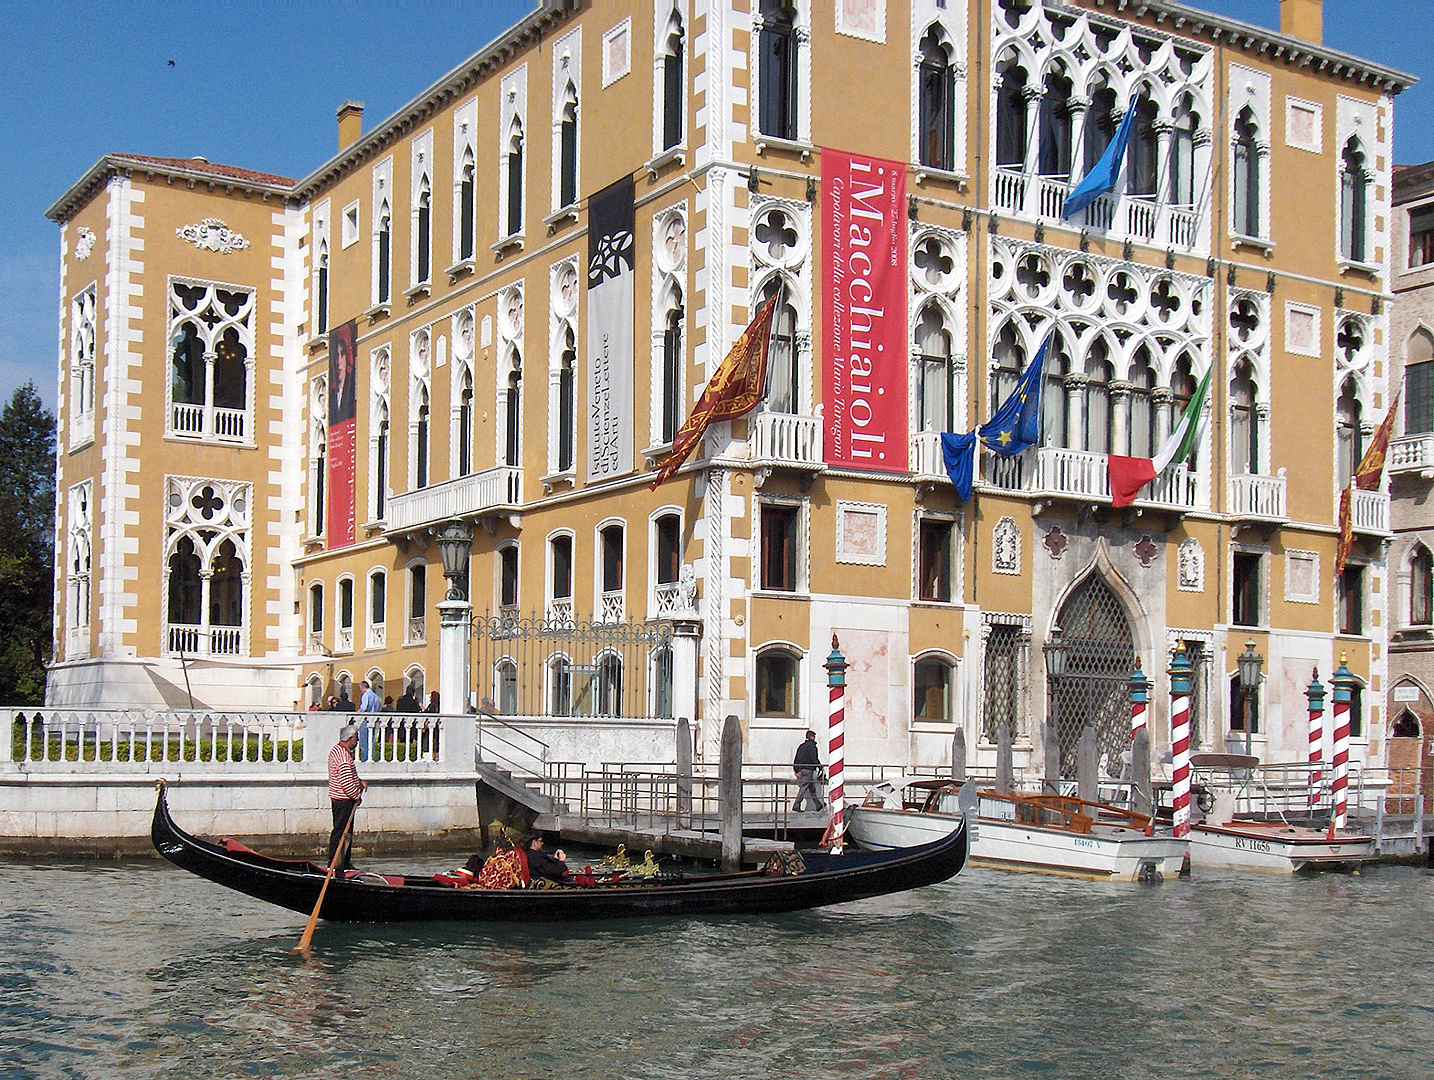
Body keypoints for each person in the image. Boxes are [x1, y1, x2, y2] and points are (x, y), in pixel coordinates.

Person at [327, 723, 367, 870]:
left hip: (338, 798)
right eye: (355, 738)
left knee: (341, 831)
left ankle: (341, 862)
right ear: (350, 738)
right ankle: (338, 863)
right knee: (342, 832)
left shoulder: (336, 750)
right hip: (343, 800)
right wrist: (356, 796)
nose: (356, 741)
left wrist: (359, 782)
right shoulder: (343, 757)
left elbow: (349, 776)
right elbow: (346, 782)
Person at [793, 729, 825, 813]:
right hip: (808, 769)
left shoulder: (801, 746)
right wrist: (819, 766)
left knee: (812, 788)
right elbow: (814, 758)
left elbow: (796, 758)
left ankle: (818, 805)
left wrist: (796, 770)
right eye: (814, 737)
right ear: (811, 737)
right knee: (804, 787)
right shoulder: (812, 746)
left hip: (801, 769)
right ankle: (796, 805)